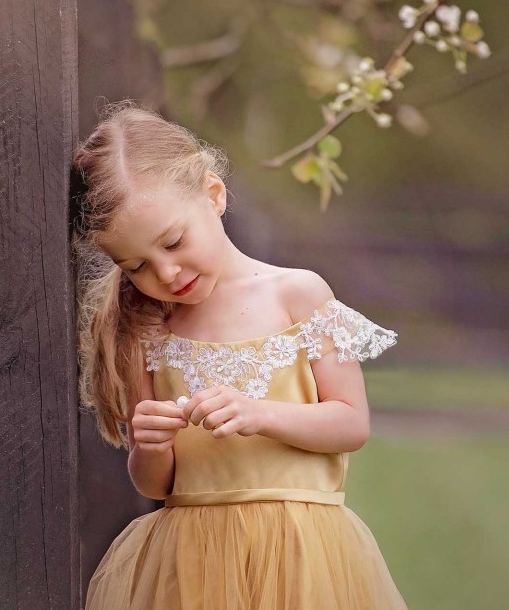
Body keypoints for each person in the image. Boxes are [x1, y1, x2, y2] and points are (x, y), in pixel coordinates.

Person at [74, 99, 408, 609]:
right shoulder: (149, 329)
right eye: (137, 265)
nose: (164, 274)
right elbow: (155, 484)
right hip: (194, 562)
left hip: (302, 552)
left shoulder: (298, 294)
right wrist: (152, 445)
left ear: (213, 195)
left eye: (174, 241)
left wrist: (260, 413)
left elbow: (350, 423)